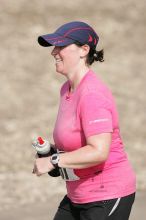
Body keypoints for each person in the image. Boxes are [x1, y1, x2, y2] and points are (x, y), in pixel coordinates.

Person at [33, 21, 136, 220]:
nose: (54, 52)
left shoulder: (92, 94)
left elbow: (99, 151)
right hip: (78, 195)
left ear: (84, 50)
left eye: (60, 46)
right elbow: (78, 142)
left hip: (107, 194)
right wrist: (52, 151)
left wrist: (54, 161)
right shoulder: (66, 89)